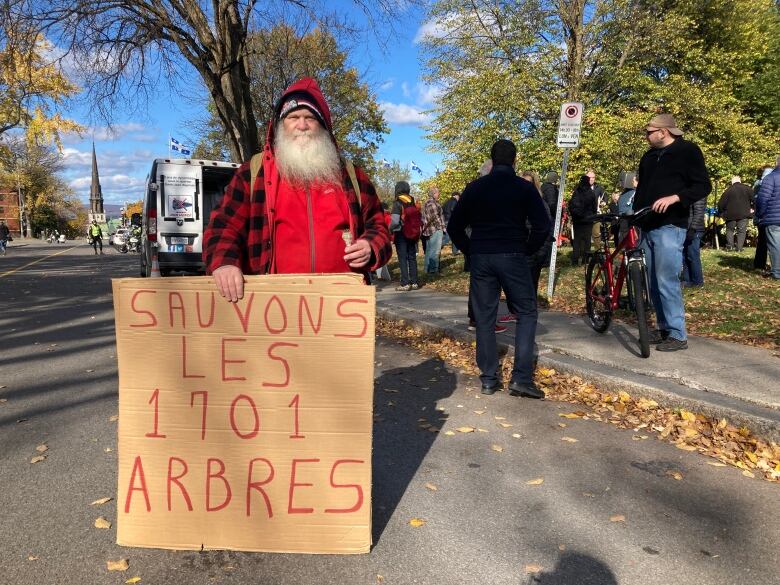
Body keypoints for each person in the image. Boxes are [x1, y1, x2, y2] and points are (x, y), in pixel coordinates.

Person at [204, 77, 391, 301]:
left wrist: (370, 245)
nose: (301, 125)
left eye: (310, 118)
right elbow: (224, 226)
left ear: (323, 125)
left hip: (342, 307)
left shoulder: (351, 176)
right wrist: (224, 263)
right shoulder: (254, 173)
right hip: (276, 308)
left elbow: (378, 226)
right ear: (280, 124)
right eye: (293, 117)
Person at [448, 139, 552, 398]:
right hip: (513, 252)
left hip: (482, 255)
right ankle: (521, 378)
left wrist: (470, 249)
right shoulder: (524, 189)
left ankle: (489, 378)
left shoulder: (475, 188)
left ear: (492, 160)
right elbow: (542, 225)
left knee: (484, 317)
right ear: (515, 160)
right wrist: (528, 248)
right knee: (526, 312)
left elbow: (454, 227)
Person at [633, 113, 711, 351]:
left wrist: (675, 198)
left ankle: (678, 333)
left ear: (663, 132)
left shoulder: (687, 151)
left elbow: (702, 186)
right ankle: (664, 327)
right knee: (652, 282)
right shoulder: (648, 157)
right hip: (647, 225)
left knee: (666, 279)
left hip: (670, 225)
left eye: (649, 131)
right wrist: (634, 217)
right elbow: (643, 190)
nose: (646, 136)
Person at [389, 181, 421, 290]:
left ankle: (405, 283)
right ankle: (415, 282)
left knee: (403, 258)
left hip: (401, 233)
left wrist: (389, 230)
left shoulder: (397, 202)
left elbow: (394, 221)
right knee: (412, 257)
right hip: (412, 233)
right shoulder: (412, 201)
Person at [754, 156, 780, 280]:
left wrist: (760, 214)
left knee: (775, 245)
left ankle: (777, 272)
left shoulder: (771, 178)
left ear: (776, 163)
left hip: (773, 217)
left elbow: (762, 198)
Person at [718, 176, 754, 252]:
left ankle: (729, 247)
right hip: (744, 213)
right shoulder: (747, 189)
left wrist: (722, 213)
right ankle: (739, 248)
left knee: (730, 230)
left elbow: (721, 204)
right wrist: (753, 208)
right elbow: (755, 200)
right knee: (741, 231)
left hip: (730, 214)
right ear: (740, 181)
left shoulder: (728, 190)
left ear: (732, 182)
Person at [568, 174, 597, 266]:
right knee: (587, 240)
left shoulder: (577, 192)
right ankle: (586, 260)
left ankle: (575, 260)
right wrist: (592, 216)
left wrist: (575, 216)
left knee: (577, 239)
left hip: (578, 220)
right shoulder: (591, 193)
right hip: (588, 219)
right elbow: (594, 207)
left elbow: (572, 205)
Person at [682, 197, 706, 287]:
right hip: (686, 228)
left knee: (693, 255)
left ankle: (697, 281)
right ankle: (687, 280)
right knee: (685, 255)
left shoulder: (698, 193)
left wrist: (693, 228)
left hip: (695, 229)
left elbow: (699, 212)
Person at [421, 186, 445, 273]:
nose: (439, 194)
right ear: (434, 193)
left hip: (429, 230)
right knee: (435, 250)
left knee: (429, 250)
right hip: (435, 229)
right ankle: (433, 270)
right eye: (438, 192)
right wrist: (442, 228)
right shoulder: (432, 203)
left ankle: (427, 269)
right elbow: (436, 217)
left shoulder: (427, 203)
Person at [753, 167, 772, 272]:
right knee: (770, 241)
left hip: (761, 215)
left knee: (762, 241)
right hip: (768, 214)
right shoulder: (767, 183)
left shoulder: (757, 184)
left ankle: (759, 264)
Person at [587, 169, 607, 249]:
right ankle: (584, 255)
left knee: (596, 234)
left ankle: (598, 252)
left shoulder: (599, 187)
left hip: (596, 215)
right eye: (590, 177)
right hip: (585, 215)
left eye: (593, 177)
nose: (591, 179)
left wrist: (604, 202)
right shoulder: (581, 187)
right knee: (586, 235)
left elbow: (605, 196)